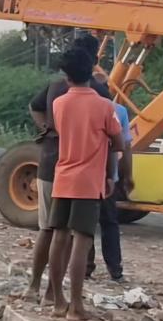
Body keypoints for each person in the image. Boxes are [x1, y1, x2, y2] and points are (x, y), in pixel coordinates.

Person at [25, 37, 112, 302]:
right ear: (93, 61)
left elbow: (34, 107)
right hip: (83, 176)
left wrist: (45, 130)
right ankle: (58, 295)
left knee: (47, 230)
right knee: (74, 237)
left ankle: (33, 287)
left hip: (50, 164)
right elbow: (112, 140)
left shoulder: (54, 89)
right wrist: (113, 175)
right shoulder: (100, 94)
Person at [45, 47, 126, 321]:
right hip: (88, 182)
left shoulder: (59, 104)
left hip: (63, 177)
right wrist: (110, 171)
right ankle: (76, 307)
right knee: (82, 240)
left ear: (67, 76)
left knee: (59, 237)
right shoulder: (105, 107)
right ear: (92, 72)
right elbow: (118, 142)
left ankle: (58, 301)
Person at [86, 71, 133, 281]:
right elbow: (123, 147)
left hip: (86, 176)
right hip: (109, 177)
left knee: (84, 223)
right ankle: (115, 269)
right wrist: (126, 175)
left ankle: (85, 267)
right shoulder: (119, 111)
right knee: (109, 223)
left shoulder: (82, 107)